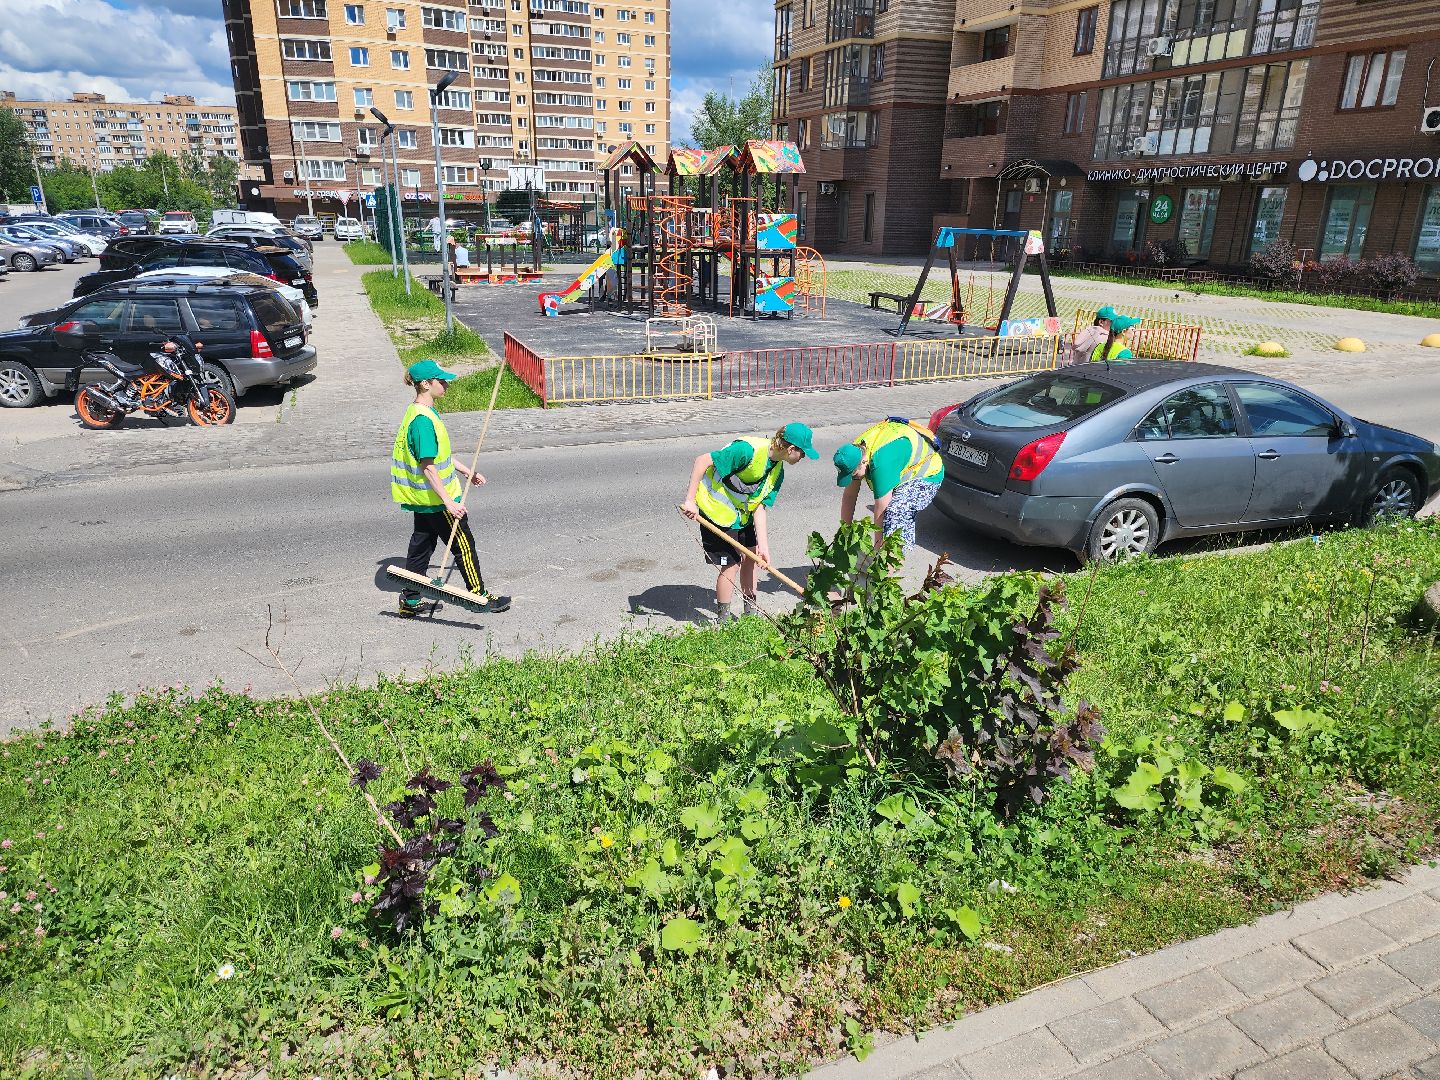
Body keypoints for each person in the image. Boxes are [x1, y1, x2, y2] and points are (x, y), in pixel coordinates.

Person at [390, 360, 510, 617]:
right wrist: (449, 502)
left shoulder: (420, 412)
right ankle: (478, 595)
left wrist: (467, 472)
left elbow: (439, 456)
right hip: (437, 498)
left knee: (421, 546)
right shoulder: (422, 421)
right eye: (441, 380)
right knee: (463, 545)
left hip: (424, 498)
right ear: (425, 384)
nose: (446, 384)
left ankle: (410, 600)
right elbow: (428, 466)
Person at [680, 423, 819, 622]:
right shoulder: (747, 451)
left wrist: (764, 548)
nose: (803, 457)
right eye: (803, 453)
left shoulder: (777, 472)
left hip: (740, 515)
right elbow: (702, 461)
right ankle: (724, 620)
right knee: (732, 565)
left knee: (752, 557)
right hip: (716, 510)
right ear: (791, 449)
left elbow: (759, 508)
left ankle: (750, 615)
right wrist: (690, 501)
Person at [834, 417, 945, 551]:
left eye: (853, 475)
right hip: (898, 465)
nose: (853, 479)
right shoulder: (854, 453)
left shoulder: (881, 463)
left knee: (896, 512)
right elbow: (849, 496)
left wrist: (877, 551)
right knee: (888, 520)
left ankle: (893, 558)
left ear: (863, 462)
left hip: (927, 473)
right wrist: (844, 535)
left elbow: (881, 510)